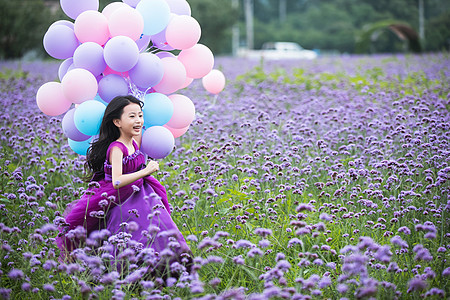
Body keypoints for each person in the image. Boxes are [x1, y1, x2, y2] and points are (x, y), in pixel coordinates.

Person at [56, 95, 191, 276]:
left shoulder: (133, 142)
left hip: (141, 193)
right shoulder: (117, 148)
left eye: (140, 115)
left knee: (161, 226)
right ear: (117, 122)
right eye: (132, 116)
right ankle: (134, 273)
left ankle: (172, 266)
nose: (138, 121)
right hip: (122, 196)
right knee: (134, 231)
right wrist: (145, 171)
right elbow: (117, 181)